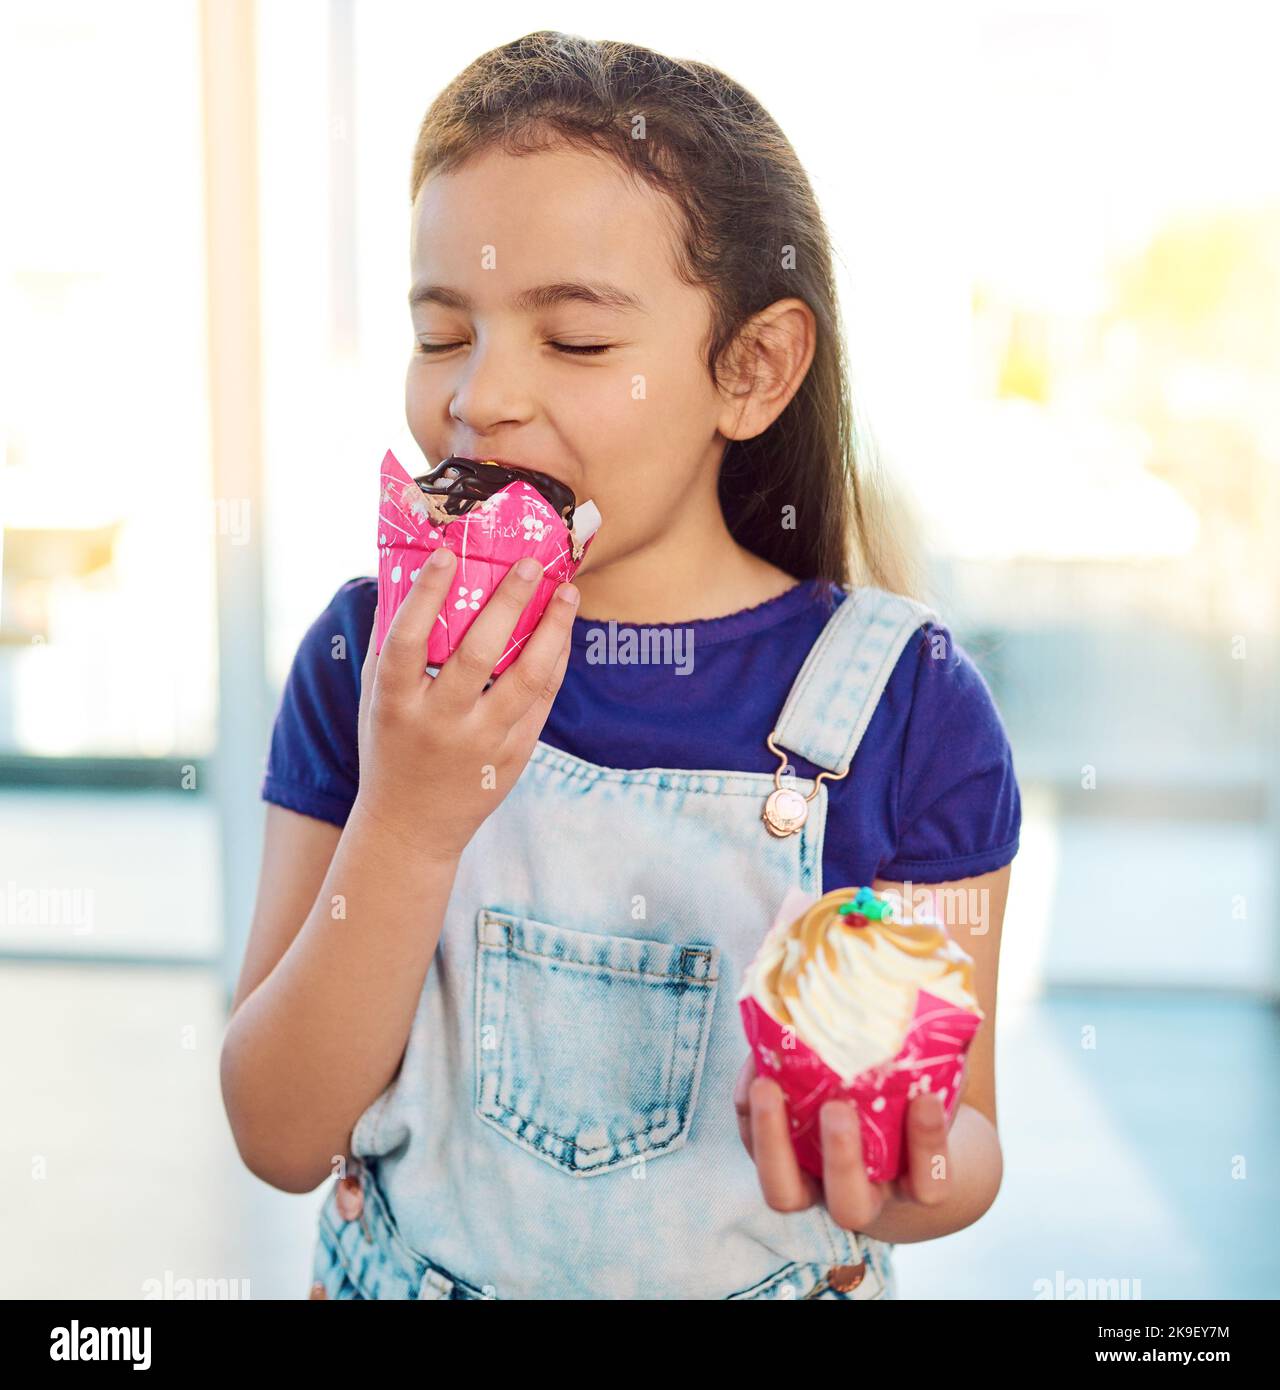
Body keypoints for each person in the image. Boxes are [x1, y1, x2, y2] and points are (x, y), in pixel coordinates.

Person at [220, 30, 1020, 1301]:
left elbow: (965, 1131)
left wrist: (892, 1166)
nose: (480, 397)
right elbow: (276, 1131)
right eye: (441, 332)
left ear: (749, 370)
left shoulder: (907, 706)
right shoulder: (361, 660)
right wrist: (409, 826)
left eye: (575, 343)